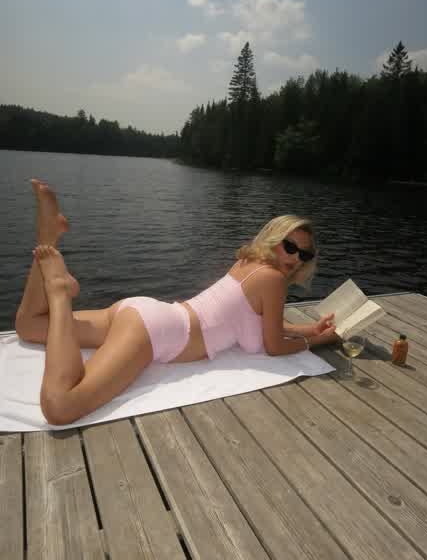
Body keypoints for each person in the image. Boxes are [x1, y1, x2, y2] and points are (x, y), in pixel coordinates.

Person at [15, 179, 338, 426]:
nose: (295, 258)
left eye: (304, 254)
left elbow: (267, 325)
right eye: (289, 247)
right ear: (274, 239)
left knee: (29, 326)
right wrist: (318, 342)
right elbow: (274, 346)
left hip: (148, 314)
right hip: (156, 332)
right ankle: (59, 293)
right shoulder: (274, 279)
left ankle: (47, 238)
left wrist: (309, 329)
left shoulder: (248, 263)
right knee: (61, 407)